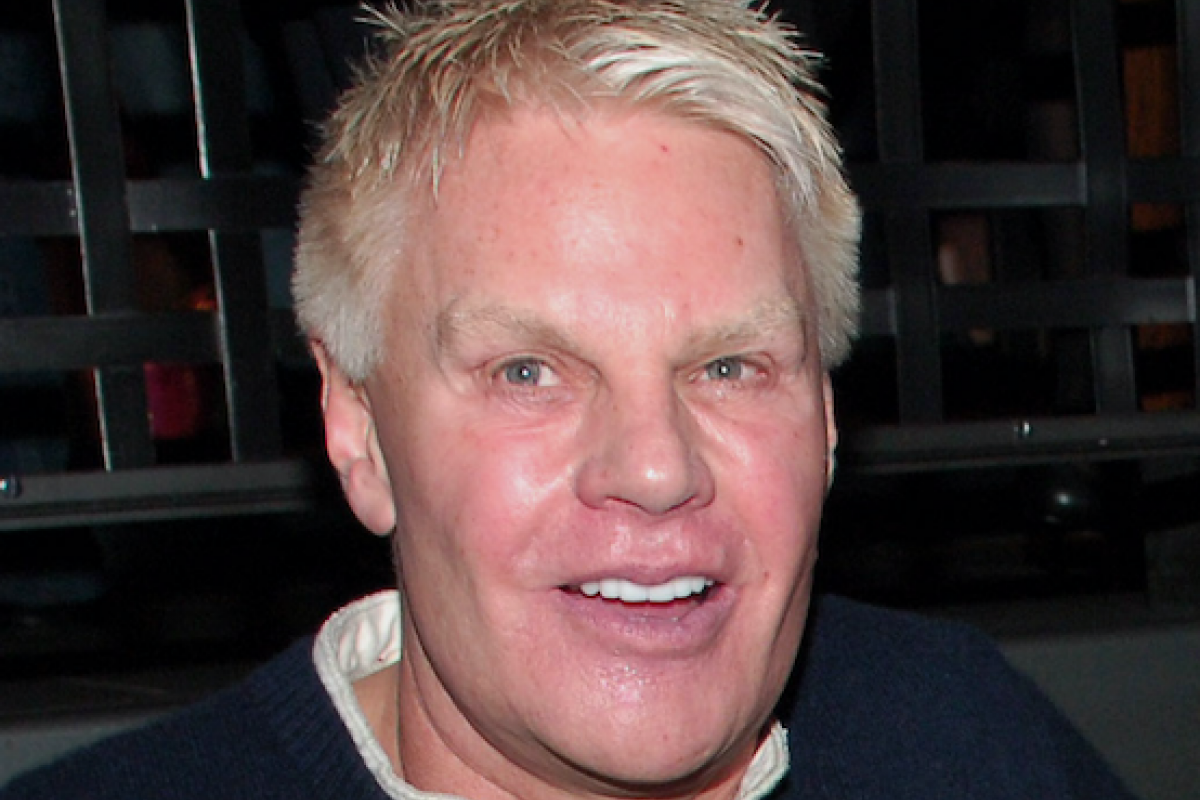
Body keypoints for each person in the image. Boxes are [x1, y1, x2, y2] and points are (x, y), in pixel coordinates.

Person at [3, 2, 1138, 799]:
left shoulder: (968, 743)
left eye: (730, 367)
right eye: (528, 372)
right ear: (357, 429)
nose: (655, 467)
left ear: (830, 421)